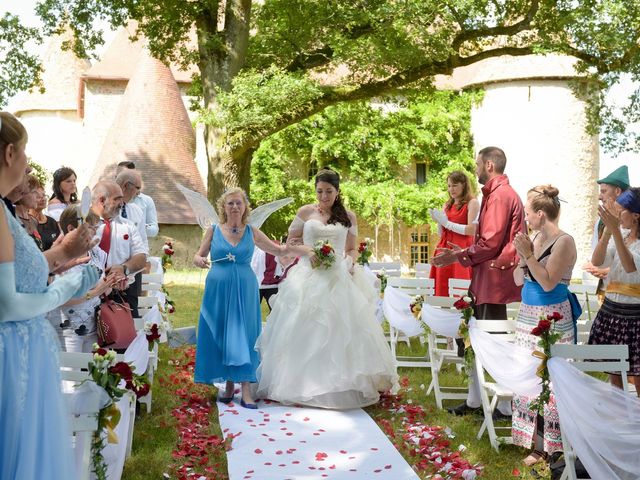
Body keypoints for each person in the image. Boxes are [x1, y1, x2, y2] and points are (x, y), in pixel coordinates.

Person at [0, 111, 99, 479]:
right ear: (10, 153)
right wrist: (66, 286)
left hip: (23, 354)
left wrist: (60, 255)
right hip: (11, 359)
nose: (26, 166)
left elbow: (17, 274)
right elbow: (7, 303)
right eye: (25, 154)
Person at [256, 168, 398, 409]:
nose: (323, 196)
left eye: (328, 192)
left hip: (338, 276)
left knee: (341, 328)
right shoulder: (305, 212)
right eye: (320, 191)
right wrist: (309, 251)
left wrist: (350, 262)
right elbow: (290, 243)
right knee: (305, 326)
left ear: (337, 191)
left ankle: (340, 384)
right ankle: (299, 384)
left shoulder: (348, 216)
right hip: (308, 276)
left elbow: (352, 248)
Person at [192, 187, 309, 409]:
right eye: (230, 203)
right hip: (217, 287)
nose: (235, 206)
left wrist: (306, 250)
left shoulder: (252, 231)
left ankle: (246, 390)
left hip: (245, 287)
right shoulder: (213, 230)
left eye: (239, 203)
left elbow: (279, 250)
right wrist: (198, 259)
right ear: (223, 207)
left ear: (245, 207)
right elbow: (200, 254)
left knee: (245, 333)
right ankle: (227, 385)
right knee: (222, 332)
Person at [432, 146, 526, 416]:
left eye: (476, 164)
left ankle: (505, 406)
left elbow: (491, 242)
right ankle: (475, 400)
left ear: (489, 165)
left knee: (494, 342)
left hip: (493, 282)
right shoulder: (499, 194)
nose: (474, 168)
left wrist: (459, 256)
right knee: (472, 337)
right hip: (486, 279)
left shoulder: (499, 196)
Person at [512, 185, 578, 465]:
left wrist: (528, 257)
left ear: (541, 214)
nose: (525, 218)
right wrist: (522, 256)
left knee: (551, 379)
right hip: (527, 314)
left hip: (553, 317)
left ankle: (554, 446)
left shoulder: (564, 241)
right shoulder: (534, 237)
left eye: (528, 213)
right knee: (528, 376)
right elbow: (518, 279)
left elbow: (549, 281)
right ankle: (534, 442)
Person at [588, 187, 640, 396]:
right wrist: (609, 230)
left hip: (635, 314)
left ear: (636, 216)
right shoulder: (622, 234)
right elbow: (597, 260)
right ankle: (619, 419)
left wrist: (615, 231)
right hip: (611, 311)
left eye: (620, 211)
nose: (616, 215)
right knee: (614, 373)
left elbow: (630, 266)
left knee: (638, 375)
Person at [58, 205, 111, 352]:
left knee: (93, 372)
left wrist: (112, 283)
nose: (95, 231)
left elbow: (104, 286)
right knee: (71, 373)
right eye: (90, 226)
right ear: (70, 229)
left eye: (96, 226)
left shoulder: (97, 253)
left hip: (95, 325)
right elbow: (62, 299)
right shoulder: (59, 257)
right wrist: (95, 292)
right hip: (67, 328)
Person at [92, 181, 148, 319]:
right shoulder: (83, 225)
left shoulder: (128, 226)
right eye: (117, 198)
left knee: (126, 340)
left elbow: (141, 257)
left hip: (121, 294)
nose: (122, 202)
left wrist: (124, 268)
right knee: (87, 340)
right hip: (90, 294)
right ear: (102, 200)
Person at [429, 170, 479, 296]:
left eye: (455, 185)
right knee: (442, 291)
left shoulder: (472, 203)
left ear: (464, 185)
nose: (451, 189)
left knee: (460, 290)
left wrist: (446, 223)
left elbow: (472, 229)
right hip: (444, 248)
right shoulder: (447, 205)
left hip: (461, 250)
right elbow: (442, 233)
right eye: (449, 186)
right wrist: (438, 222)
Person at [583, 165, 630, 292]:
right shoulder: (601, 221)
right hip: (607, 291)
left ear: (618, 191)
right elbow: (596, 255)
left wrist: (608, 270)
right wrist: (593, 266)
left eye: (603, 191)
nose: (599, 197)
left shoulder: (635, 221)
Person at [116, 161, 159, 239]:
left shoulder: (146, 201)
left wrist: (139, 226)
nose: (118, 179)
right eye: (116, 176)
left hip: (139, 248)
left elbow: (154, 230)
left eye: (122, 175)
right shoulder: (108, 201)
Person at [14, 174, 43, 250]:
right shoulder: (11, 218)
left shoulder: (34, 220)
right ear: (22, 192)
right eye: (34, 192)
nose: (38, 196)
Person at [31, 180, 61, 250]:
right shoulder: (28, 223)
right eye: (38, 197)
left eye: (44, 195)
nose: (43, 199)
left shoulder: (52, 221)